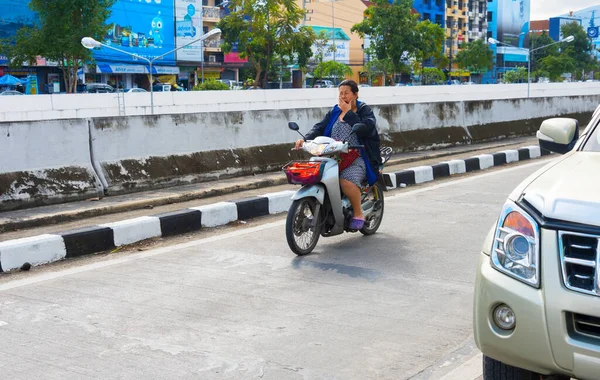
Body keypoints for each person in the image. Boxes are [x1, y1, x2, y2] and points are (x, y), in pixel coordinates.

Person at [295, 79, 382, 230]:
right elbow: (320, 127)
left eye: (346, 93)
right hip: (332, 155)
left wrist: (348, 113)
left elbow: (367, 128)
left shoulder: (364, 111)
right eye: (340, 93)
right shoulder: (335, 111)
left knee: (346, 181)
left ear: (355, 94)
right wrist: (304, 139)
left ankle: (358, 213)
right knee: (313, 175)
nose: (343, 96)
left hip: (358, 156)